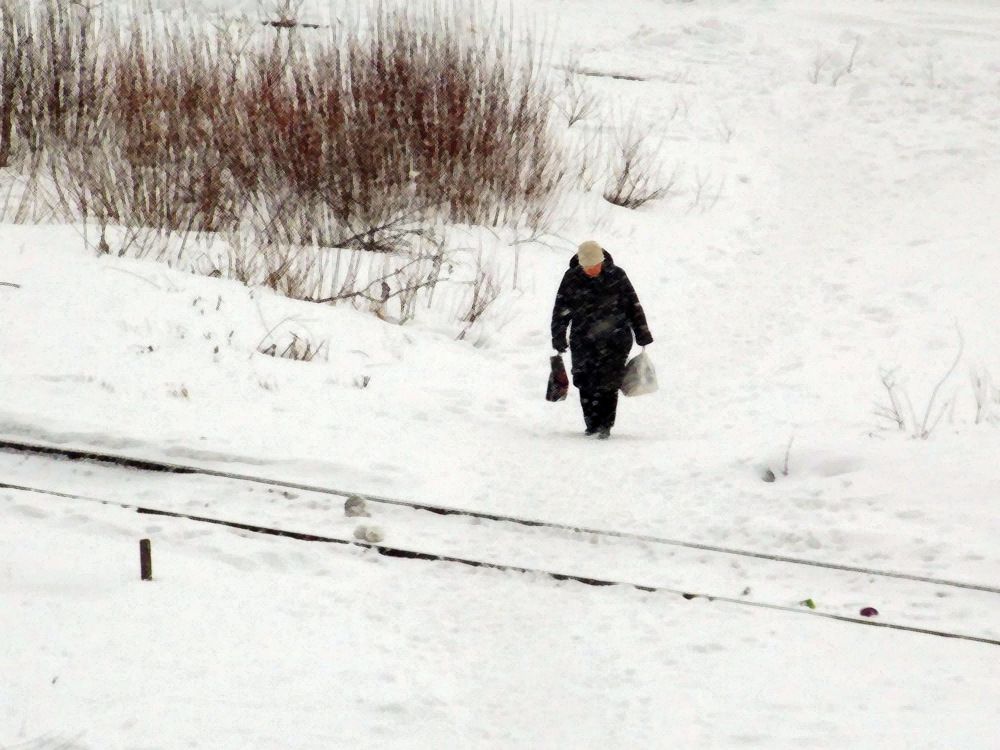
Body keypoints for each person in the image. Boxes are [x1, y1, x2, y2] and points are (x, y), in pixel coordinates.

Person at [551, 240, 653, 439]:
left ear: (602, 261)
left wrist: (642, 333)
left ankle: (605, 425)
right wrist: (558, 336)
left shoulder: (617, 275)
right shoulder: (571, 278)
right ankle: (591, 424)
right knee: (584, 380)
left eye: (595, 265)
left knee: (609, 382)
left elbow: (633, 305)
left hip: (615, 338)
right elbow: (560, 309)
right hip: (583, 339)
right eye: (587, 267)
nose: (592, 270)